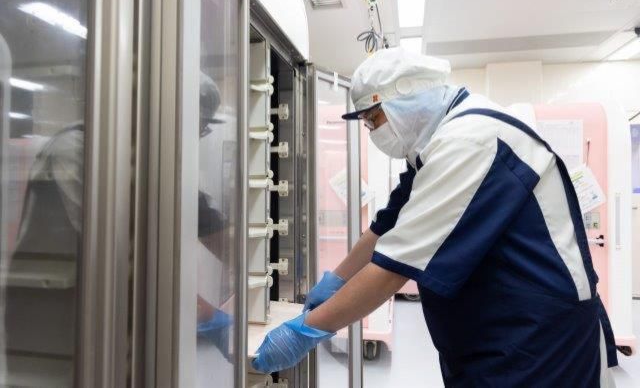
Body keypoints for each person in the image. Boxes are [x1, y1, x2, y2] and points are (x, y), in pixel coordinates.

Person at [252, 47, 618, 386]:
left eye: (374, 118)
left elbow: (392, 269)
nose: (372, 130)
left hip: (540, 344)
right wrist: (336, 280)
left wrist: (305, 332)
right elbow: (386, 226)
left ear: (408, 100)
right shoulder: (434, 149)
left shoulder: (471, 141)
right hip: (497, 334)